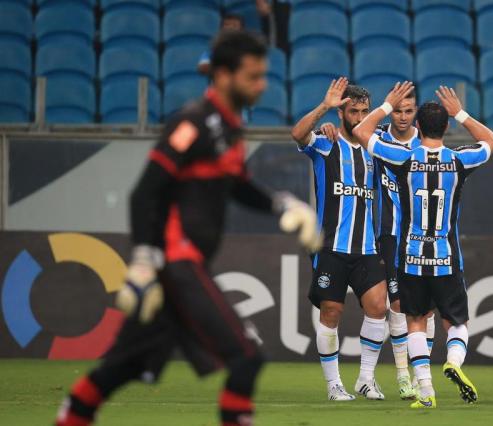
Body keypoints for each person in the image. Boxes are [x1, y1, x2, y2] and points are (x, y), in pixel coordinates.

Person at [55, 30, 322, 426]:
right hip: (178, 264)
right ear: (223, 75)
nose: (261, 85)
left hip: (182, 266)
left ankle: (71, 416)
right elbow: (144, 192)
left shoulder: (228, 127)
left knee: (123, 366)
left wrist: (280, 203)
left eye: (263, 75)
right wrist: (144, 261)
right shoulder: (193, 122)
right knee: (247, 358)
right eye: (253, 76)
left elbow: (235, 184)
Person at [353, 82, 493, 409]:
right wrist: (460, 111)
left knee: (415, 321)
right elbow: (492, 140)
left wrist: (388, 105)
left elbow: (362, 132)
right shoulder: (459, 161)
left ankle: (426, 390)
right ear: (446, 126)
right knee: (456, 323)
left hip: (411, 257)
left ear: (417, 126)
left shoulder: (404, 158)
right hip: (447, 258)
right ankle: (454, 363)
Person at [319, 91, 437, 400]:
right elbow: (354, 132)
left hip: (423, 237)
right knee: (395, 306)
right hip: (387, 236)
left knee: (426, 308)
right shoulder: (377, 138)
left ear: (415, 114)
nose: (401, 115)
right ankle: (400, 377)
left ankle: (409, 374)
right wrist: (328, 124)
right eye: (396, 110)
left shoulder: (427, 147)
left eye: (408, 110)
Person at [291, 78, 389, 401]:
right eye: (353, 111)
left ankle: (365, 378)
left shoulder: (377, 147)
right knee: (331, 312)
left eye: (365, 111)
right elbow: (296, 134)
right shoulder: (325, 143)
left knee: (378, 307)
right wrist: (324, 108)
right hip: (331, 247)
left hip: (366, 247)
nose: (359, 117)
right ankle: (334, 385)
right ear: (342, 112)